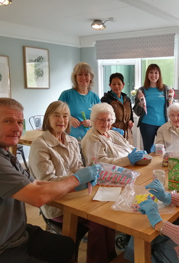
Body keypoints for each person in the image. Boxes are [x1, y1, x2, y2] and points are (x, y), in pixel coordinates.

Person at [0, 98, 100, 263]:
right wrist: (76, 179)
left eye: (20, 122)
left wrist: (77, 180)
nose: (16, 128)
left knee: (66, 246)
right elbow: (37, 197)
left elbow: (36, 184)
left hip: (17, 234)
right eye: (8, 121)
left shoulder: (3, 154)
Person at [28, 101, 117, 263]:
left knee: (107, 215)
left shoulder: (71, 141)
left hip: (78, 197)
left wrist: (88, 176)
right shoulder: (40, 145)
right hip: (56, 203)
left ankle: (108, 257)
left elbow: (79, 168)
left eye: (65, 116)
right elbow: (47, 183)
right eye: (56, 115)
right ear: (48, 118)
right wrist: (78, 180)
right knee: (99, 222)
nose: (61, 120)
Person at [81, 103, 146, 166]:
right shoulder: (92, 139)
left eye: (108, 120)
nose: (106, 124)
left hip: (129, 168)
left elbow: (128, 146)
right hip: (111, 175)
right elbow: (99, 163)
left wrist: (138, 152)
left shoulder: (113, 133)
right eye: (102, 120)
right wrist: (127, 160)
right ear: (94, 120)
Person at [133, 64, 170, 153]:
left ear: (159, 75)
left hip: (163, 124)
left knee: (164, 150)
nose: (153, 75)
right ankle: (150, 166)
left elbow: (170, 105)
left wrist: (172, 98)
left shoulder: (165, 89)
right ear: (147, 74)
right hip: (146, 124)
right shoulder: (141, 90)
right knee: (148, 150)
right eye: (151, 72)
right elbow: (137, 111)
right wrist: (141, 102)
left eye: (156, 73)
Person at [59, 62, 100, 141]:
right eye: (80, 74)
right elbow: (55, 114)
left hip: (90, 140)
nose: (83, 77)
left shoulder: (95, 98)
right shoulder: (66, 95)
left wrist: (92, 122)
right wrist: (68, 118)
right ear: (75, 77)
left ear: (91, 77)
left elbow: (101, 119)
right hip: (69, 139)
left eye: (86, 74)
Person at [101, 73, 134, 145]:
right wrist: (112, 128)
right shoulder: (106, 99)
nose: (116, 86)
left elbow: (130, 117)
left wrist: (130, 122)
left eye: (119, 84)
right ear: (110, 85)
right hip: (112, 135)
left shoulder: (127, 99)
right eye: (114, 84)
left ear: (123, 84)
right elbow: (102, 119)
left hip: (127, 135)